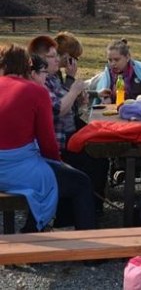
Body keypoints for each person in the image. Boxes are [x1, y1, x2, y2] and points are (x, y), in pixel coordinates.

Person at [0, 44, 95, 232]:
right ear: (27, 65)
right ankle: (90, 254)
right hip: (18, 167)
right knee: (81, 182)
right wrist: (59, 162)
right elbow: (47, 142)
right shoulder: (35, 92)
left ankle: (32, 231)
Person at [29, 35, 109, 216]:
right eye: (52, 56)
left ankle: (88, 208)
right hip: (58, 145)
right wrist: (73, 88)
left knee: (100, 155)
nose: (57, 59)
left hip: (64, 137)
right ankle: (79, 213)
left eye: (57, 55)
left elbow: (66, 104)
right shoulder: (41, 80)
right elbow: (58, 110)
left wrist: (78, 97)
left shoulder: (53, 77)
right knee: (94, 162)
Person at [94, 39, 141, 103]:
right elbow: (99, 96)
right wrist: (106, 98)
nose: (113, 63)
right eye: (110, 60)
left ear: (127, 57)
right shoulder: (107, 76)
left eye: (116, 60)